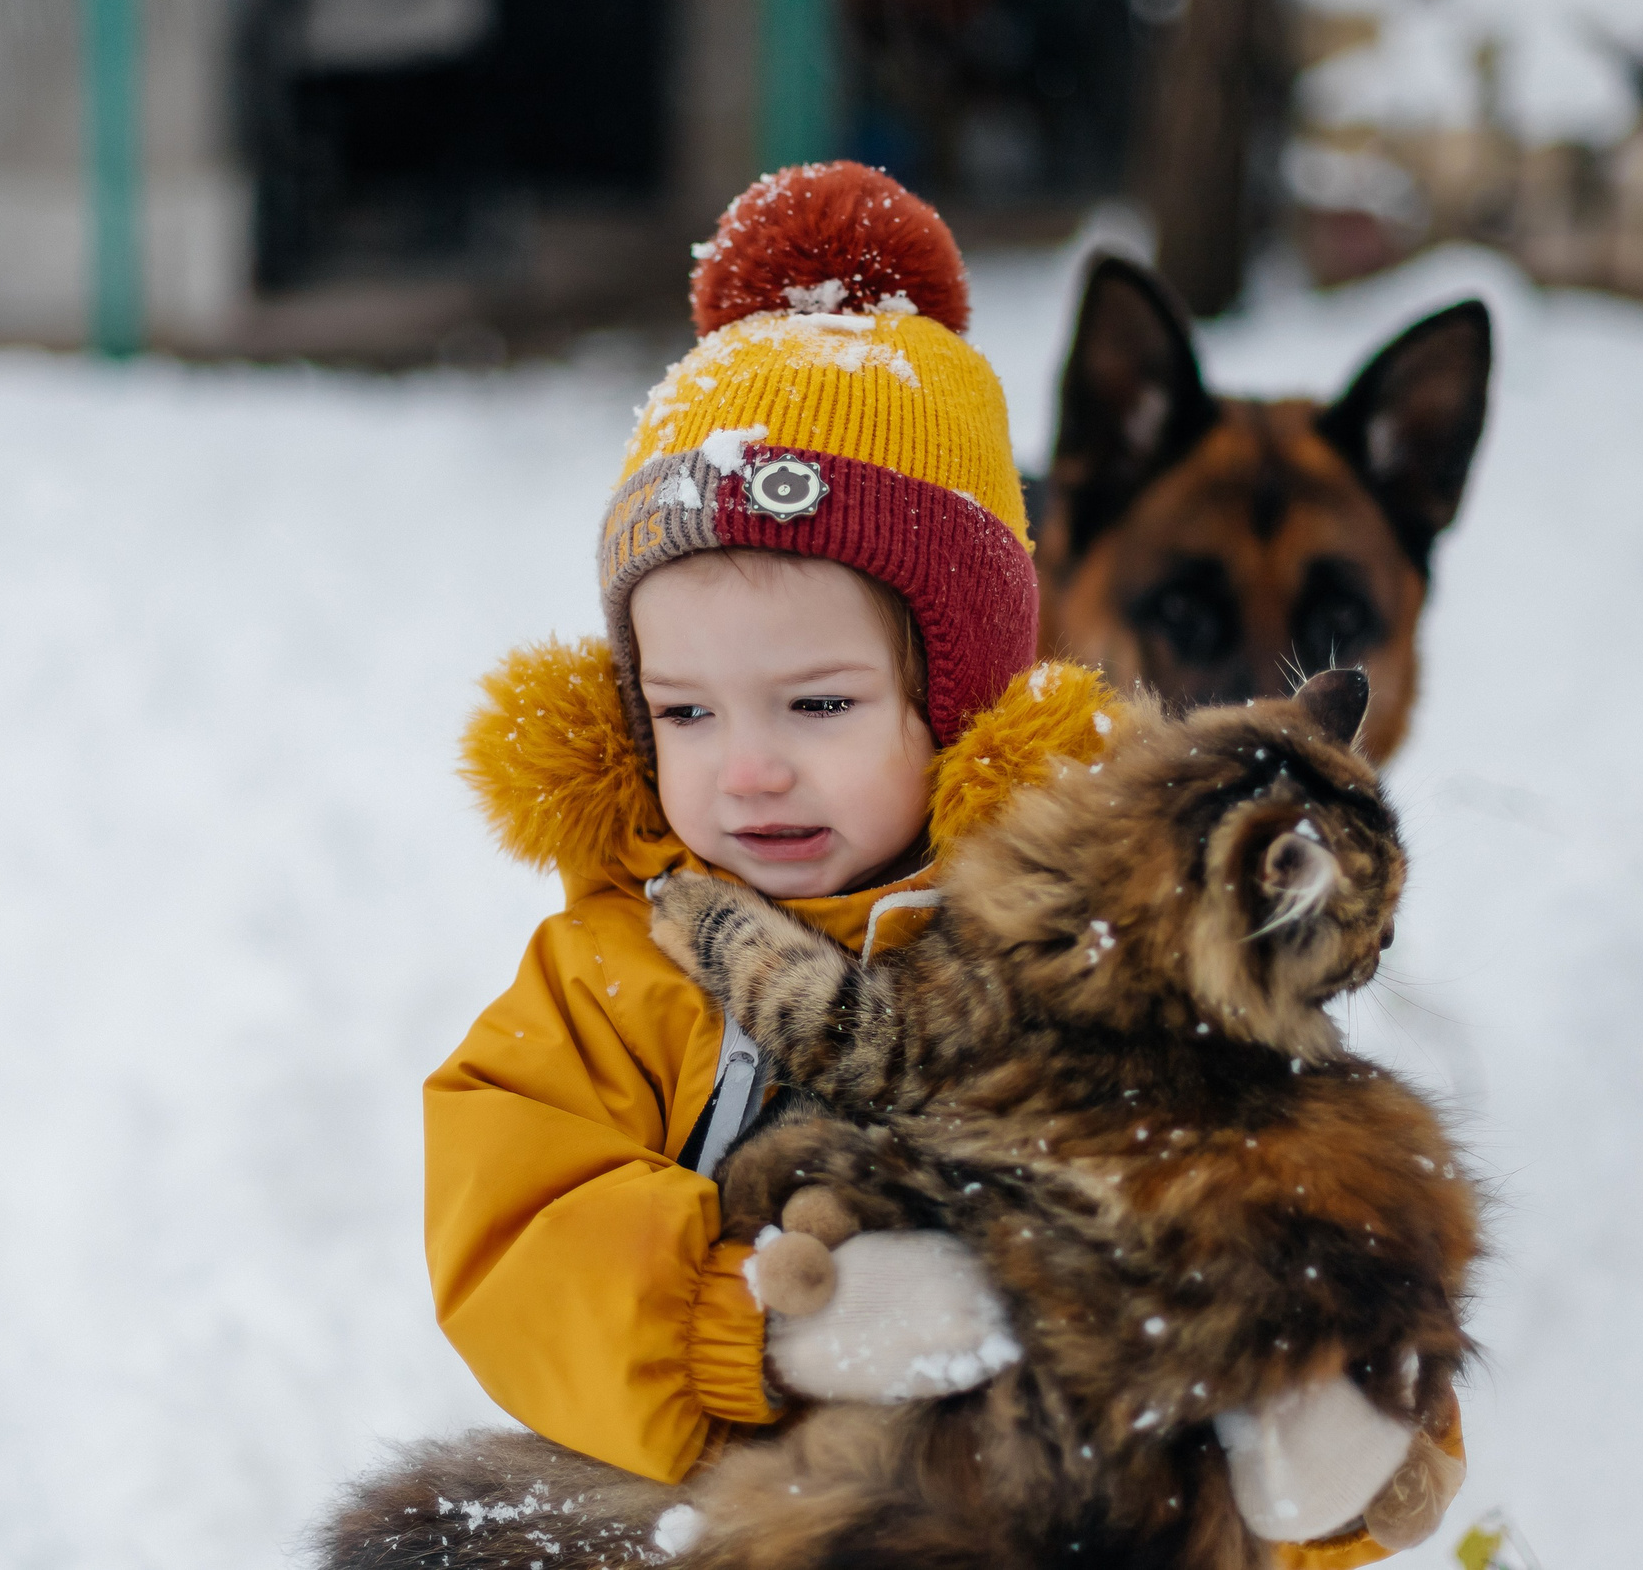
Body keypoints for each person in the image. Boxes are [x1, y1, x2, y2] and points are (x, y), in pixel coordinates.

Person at [427, 162, 1439, 1565]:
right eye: (685, 713)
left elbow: (1295, 1180)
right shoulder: (616, 973)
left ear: (958, 705)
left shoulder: (1102, 941)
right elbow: (514, 1227)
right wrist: (755, 1328)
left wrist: (1339, 1437)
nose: (748, 767)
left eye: (820, 705)